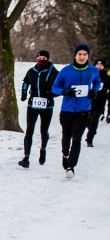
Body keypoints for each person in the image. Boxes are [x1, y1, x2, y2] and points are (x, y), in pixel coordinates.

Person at [51, 43, 102, 179]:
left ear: (88, 56)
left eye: (85, 54)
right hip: (67, 110)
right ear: (75, 55)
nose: (82, 57)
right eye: (79, 54)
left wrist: (94, 91)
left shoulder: (92, 70)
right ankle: (65, 154)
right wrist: (65, 91)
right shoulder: (66, 70)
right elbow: (54, 87)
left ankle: (71, 166)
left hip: (84, 109)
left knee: (77, 137)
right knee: (66, 136)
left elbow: (97, 83)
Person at [18, 50, 59, 168]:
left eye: (44, 58)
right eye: (40, 58)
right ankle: (26, 157)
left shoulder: (53, 72)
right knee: (29, 130)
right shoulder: (32, 71)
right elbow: (26, 81)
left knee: (43, 130)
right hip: (33, 105)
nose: (42, 60)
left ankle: (43, 149)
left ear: (48, 59)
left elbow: (59, 86)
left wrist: (51, 93)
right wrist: (24, 93)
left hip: (47, 105)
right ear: (37, 59)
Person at [86, 58, 110, 146]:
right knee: (87, 119)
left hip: (100, 101)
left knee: (94, 120)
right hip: (89, 100)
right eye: (97, 64)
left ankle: (89, 139)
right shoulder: (89, 74)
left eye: (101, 65)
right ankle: (90, 127)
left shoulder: (107, 76)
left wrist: (107, 94)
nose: (99, 66)